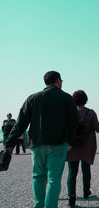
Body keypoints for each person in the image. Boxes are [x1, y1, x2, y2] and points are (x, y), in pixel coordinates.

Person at [5, 71, 79, 208]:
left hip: (37, 144)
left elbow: (21, 123)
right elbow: (74, 122)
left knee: (38, 176)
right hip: (59, 143)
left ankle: (38, 205)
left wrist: (9, 143)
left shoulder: (33, 98)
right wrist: (71, 142)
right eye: (61, 81)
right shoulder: (66, 98)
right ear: (57, 81)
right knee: (54, 179)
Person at [66, 90, 99, 207]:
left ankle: (71, 197)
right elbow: (97, 127)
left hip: (72, 146)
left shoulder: (70, 112)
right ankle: (86, 191)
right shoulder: (91, 113)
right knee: (86, 170)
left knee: (72, 173)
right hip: (86, 145)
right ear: (85, 99)